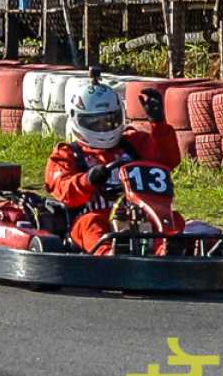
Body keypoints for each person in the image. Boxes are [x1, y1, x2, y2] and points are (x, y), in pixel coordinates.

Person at [44, 73, 183, 255]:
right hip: (93, 217)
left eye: (110, 120)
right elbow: (63, 190)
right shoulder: (68, 154)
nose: (104, 127)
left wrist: (158, 124)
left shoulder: (133, 143)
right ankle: (108, 255)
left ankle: (165, 252)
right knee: (89, 223)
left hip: (139, 216)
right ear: (77, 119)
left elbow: (167, 160)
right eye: (96, 122)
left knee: (174, 219)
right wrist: (88, 180)